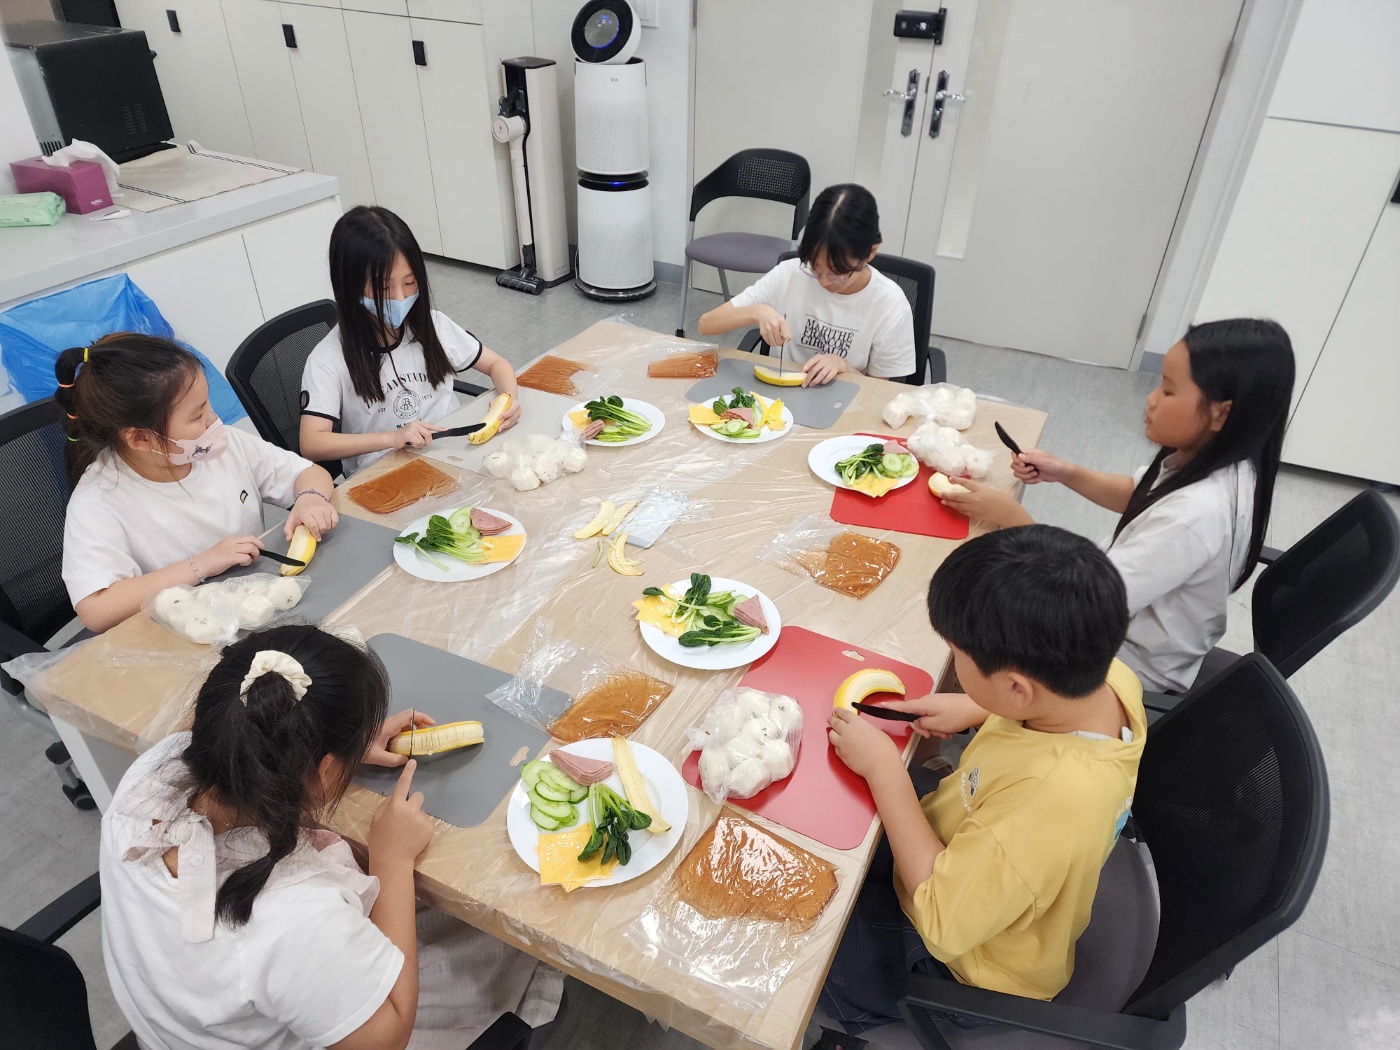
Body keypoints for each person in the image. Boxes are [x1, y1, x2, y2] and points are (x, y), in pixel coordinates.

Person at [100, 624, 561, 1050]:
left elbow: (225, 734)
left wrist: (338, 749)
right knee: (499, 938)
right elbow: (389, 1036)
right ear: (322, 771)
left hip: (174, 1025)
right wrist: (392, 861)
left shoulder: (152, 771)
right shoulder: (292, 920)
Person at [821, 525, 1144, 1034]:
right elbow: (1036, 718)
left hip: (965, 963)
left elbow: (941, 922)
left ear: (1017, 688)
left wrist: (885, 768)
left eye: (959, 656)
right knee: (837, 821)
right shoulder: (1108, 680)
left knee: (810, 951)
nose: (955, 662)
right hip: (972, 843)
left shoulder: (1048, 802)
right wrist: (977, 706)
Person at [936, 318, 1295, 693]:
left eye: (1168, 391)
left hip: (1123, 663)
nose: (1151, 399)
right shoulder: (1226, 461)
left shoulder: (1196, 515)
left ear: (1221, 413)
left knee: (967, 614)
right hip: (1119, 611)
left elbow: (1083, 608)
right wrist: (1066, 472)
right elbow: (1140, 495)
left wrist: (1014, 520)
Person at [57, 334, 338, 633]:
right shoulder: (98, 501)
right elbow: (96, 610)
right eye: (197, 415)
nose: (213, 419)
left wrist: (309, 497)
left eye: (207, 404)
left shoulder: (223, 446)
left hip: (258, 603)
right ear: (141, 438)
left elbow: (309, 473)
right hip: (185, 629)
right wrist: (201, 564)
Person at [300, 206, 521, 475]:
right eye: (383, 287)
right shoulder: (329, 358)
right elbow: (312, 443)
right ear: (350, 286)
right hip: (385, 474)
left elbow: (497, 364)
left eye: (409, 282)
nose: (400, 297)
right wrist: (392, 438)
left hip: (454, 458)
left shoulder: (433, 326)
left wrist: (508, 400)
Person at [696, 183, 916, 386]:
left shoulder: (890, 304)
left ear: (870, 252)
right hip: (778, 397)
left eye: (837, 274)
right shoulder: (790, 274)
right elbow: (706, 325)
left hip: (846, 402)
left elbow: (879, 392)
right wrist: (756, 312)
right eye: (815, 268)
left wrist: (843, 366)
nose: (824, 281)